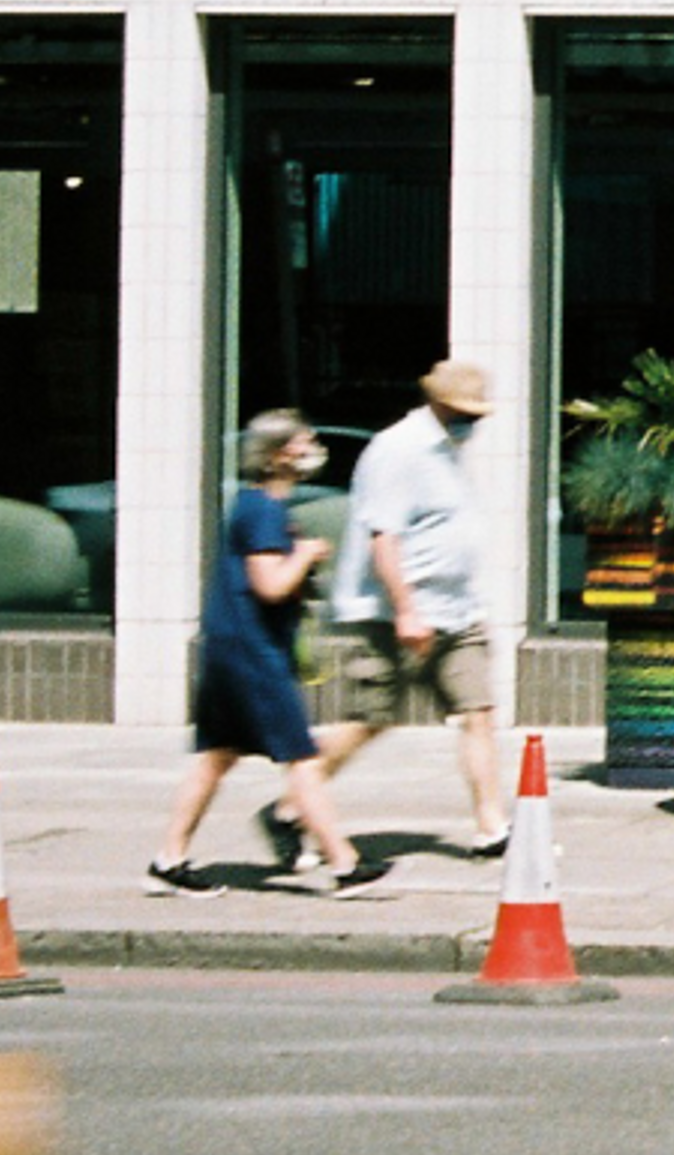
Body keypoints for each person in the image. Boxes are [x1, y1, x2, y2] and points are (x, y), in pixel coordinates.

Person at [150, 411, 383, 898]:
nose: (313, 447)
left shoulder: (256, 506)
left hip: (231, 649)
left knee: (216, 758)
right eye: (304, 441)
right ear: (278, 455)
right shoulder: (263, 511)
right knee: (300, 758)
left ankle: (169, 858)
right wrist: (306, 554)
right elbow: (270, 585)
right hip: (253, 655)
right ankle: (344, 865)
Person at [313, 358, 509, 860]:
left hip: (456, 610)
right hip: (394, 612)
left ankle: (492, 826)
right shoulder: (398, 450)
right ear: (438, 404)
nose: (474, 423)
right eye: (465, 412)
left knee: (478, 712)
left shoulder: (448, 450)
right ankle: (295, 803)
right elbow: (385, 538)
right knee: (370, 717)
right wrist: (406, 610)